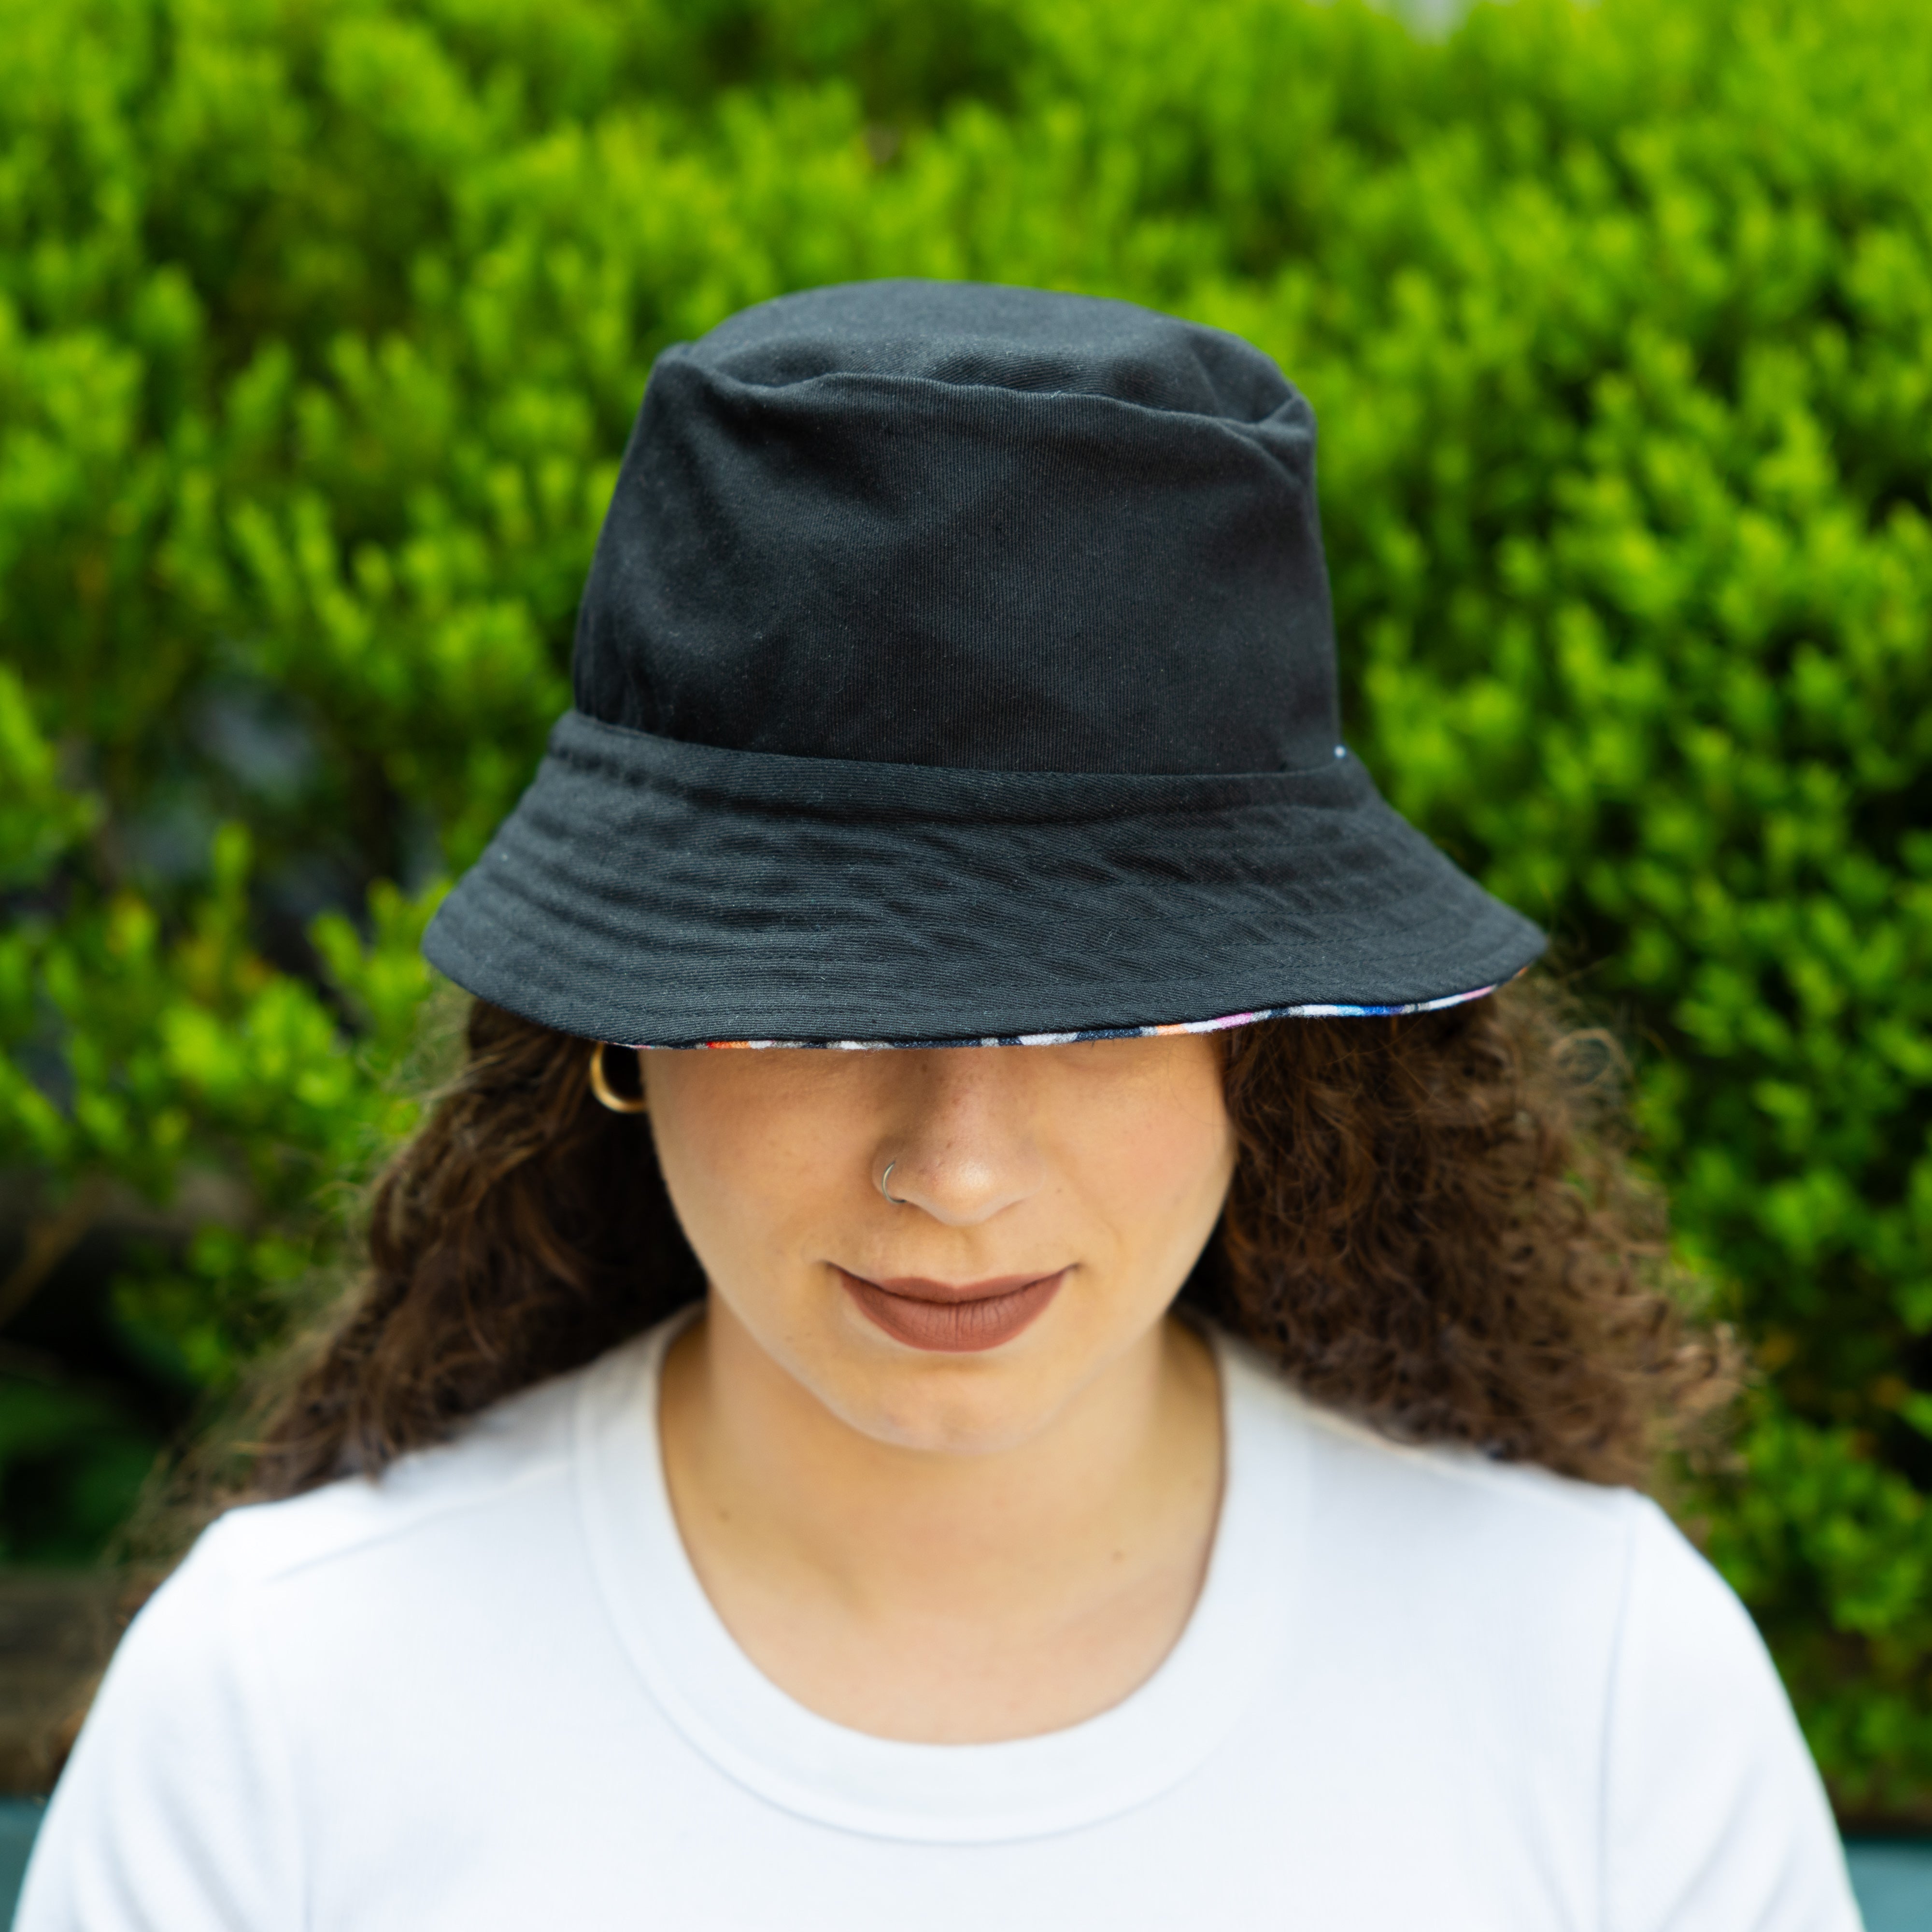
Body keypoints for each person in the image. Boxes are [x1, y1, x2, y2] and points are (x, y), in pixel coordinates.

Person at [19, 281, 1861, 1930]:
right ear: (621, 1036)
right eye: (820, 1019)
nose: (957, 1172)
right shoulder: (287, 1707)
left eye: (1102, 1022)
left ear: (1270, 1054)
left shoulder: (1600, 1690)